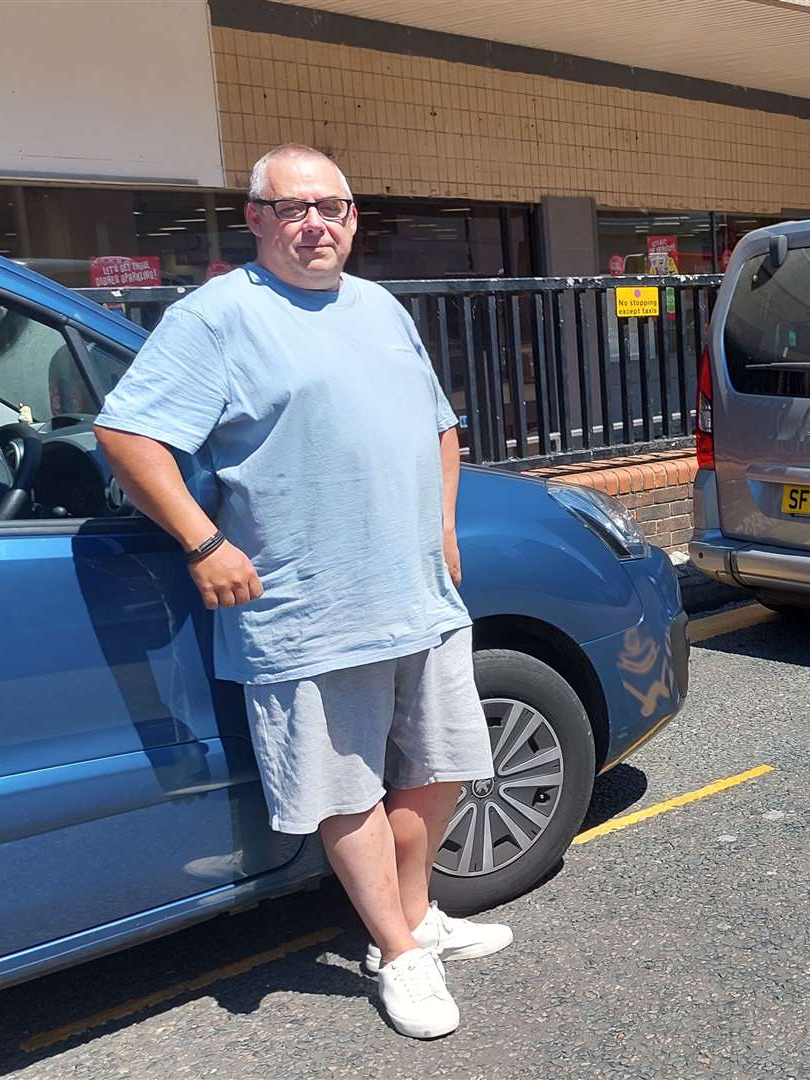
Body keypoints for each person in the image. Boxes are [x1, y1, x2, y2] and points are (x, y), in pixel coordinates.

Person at [93, 144, 507, 1040]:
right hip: (307, 607)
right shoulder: (216, 318)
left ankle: (416, 914)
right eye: (293, 209)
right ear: (255, 220)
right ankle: (398, 954)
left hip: (417, 593)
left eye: (334, 207)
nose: (316, 224)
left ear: (354, 218)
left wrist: (441, 527)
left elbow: (441, 426)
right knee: (341, 789)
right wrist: (204, 541)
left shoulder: (381, 307)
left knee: (441, 767)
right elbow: (125, 434)